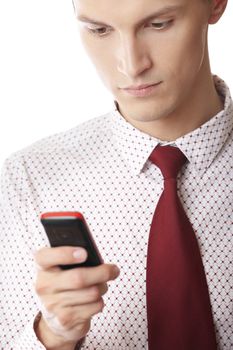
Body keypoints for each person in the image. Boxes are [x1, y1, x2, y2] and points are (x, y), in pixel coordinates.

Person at [0, 0, 232, 349]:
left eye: (159, 24)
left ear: (215, 5)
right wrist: (53, 336)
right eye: (100, 30)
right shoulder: (28, 179)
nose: (131, 65)